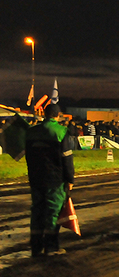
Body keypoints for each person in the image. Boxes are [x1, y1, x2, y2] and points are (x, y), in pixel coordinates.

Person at [25, 104, 75, 257]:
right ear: (58, 115)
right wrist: (70, 179)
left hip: (35, 177)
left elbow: (27, 156)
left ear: (44, 114)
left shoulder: (31, 131)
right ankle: (51, 247)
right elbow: (67, 159)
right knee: (53, 212)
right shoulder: (61, 132)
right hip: (54, 179)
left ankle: (35, 247)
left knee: (37, 211)